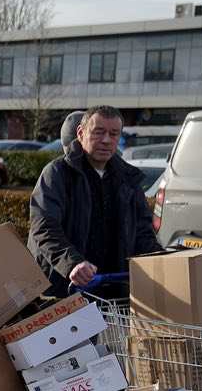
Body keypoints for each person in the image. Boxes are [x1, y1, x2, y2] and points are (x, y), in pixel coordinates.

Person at [29, 104, 158, 294]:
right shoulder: (57, 173)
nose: (106, 140)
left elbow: (142, 232)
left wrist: (164, 258)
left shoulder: (128, 180)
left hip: (113, 291)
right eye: (98, 132)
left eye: (114, 134)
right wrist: (72, 263)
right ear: (81, 133)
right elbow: (44, 226)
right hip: (64, 288)